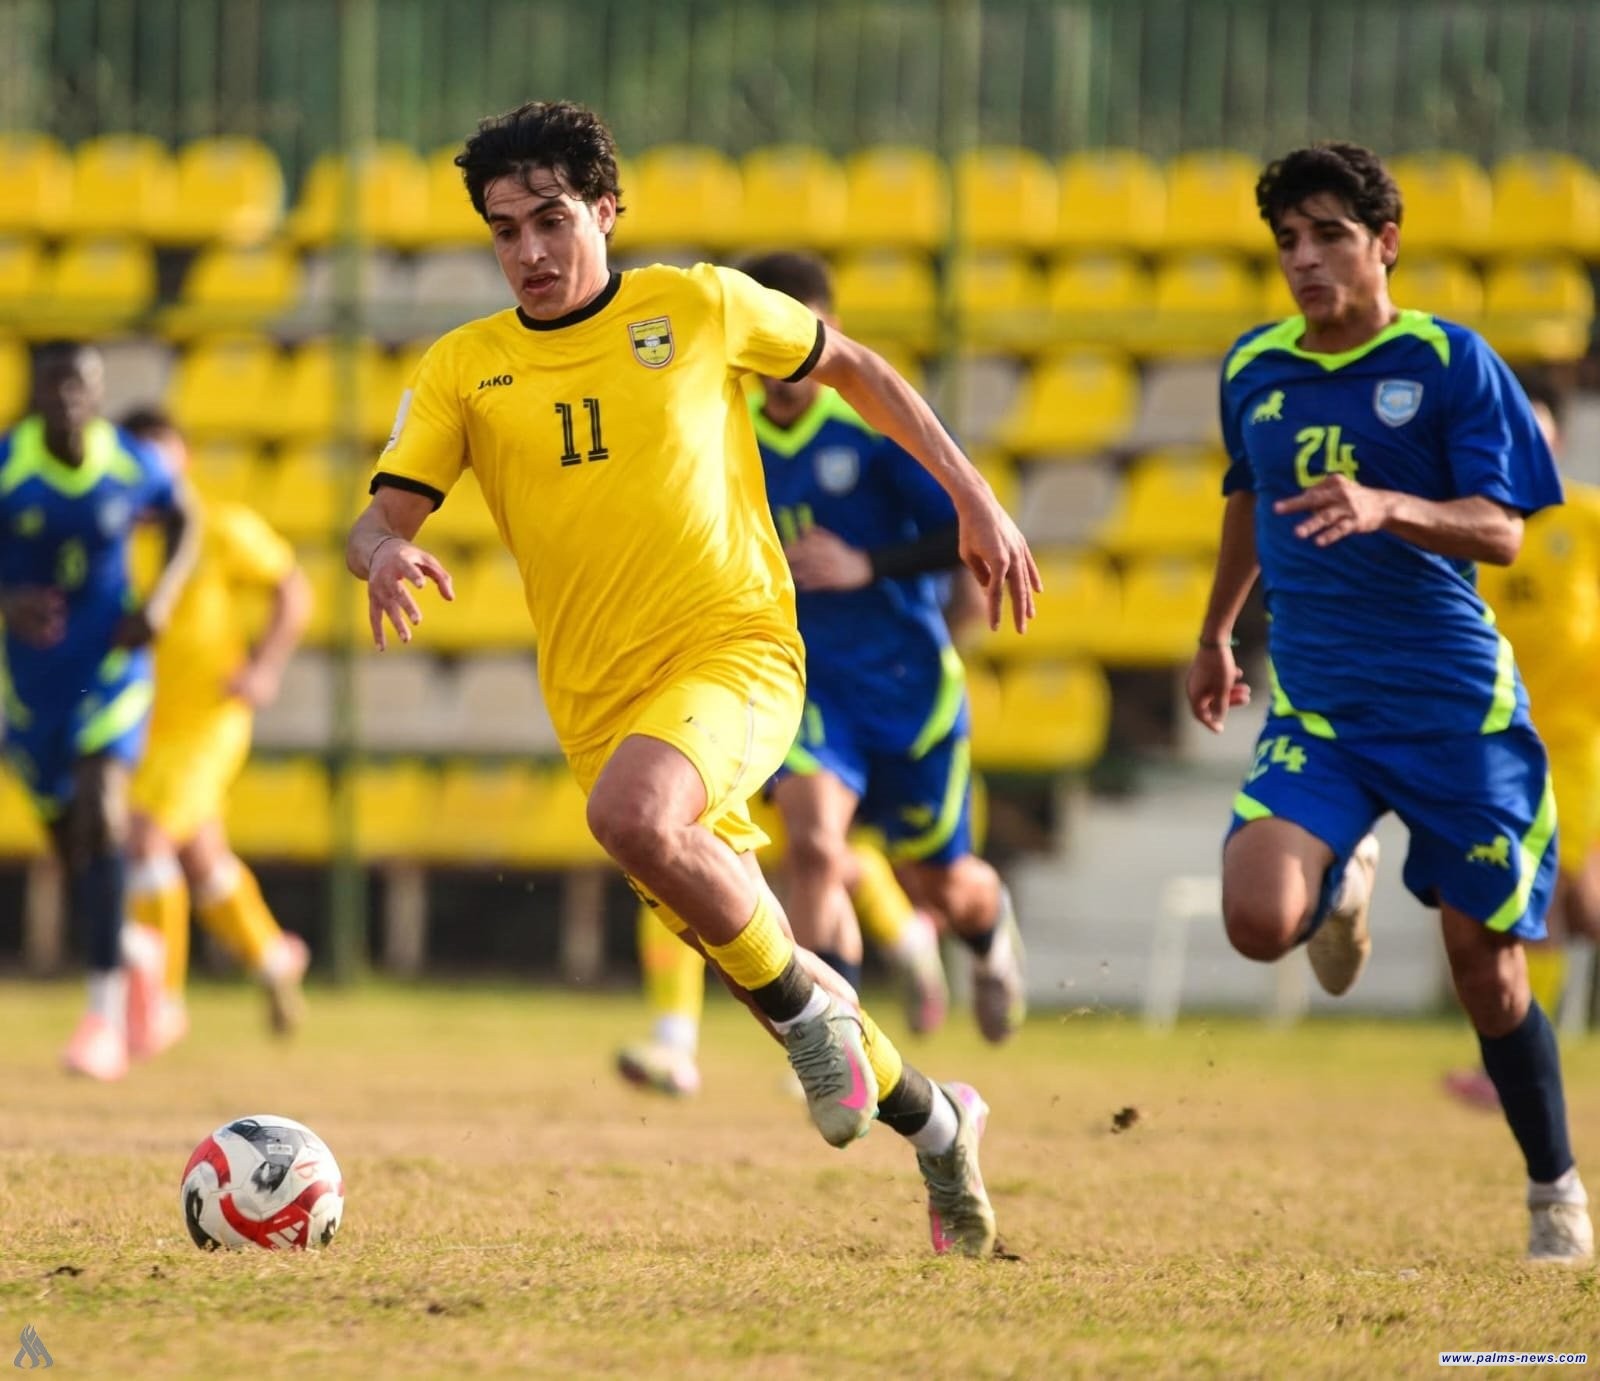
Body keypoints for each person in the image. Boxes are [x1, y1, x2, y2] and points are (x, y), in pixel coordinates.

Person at [344, 100, 1039, 1257]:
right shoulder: (465, 368)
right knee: (765, 955)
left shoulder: (700, 304)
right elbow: (372, 521)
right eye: (504, 229)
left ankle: (822, 1029)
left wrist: (972, 495)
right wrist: (384, 554)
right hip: (600, 704)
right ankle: (935, 1121)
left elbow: (854, 365)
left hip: (739, 651)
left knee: (632, 819)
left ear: (606, 211)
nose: (529, 251)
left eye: (552, 219)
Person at [1186, 142, 1591, 1263]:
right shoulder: (1252, 368)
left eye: (1327, 237)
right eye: (1286, 243)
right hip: (1319, 710)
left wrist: (1385, 505)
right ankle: (1339, 882)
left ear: (1384, 244)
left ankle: (1554, 1185)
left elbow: (1502, 530)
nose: (1303, 262)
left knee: (1487, 973)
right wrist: (1218, 630)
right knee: (1258, 920)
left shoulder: (1450, 361)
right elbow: (1245, 499)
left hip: (1456, 714)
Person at [0, 343, 198, 1080]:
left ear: (98, 392)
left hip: (112, 675)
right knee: (75, 851)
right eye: (53, 387)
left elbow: (185, 516)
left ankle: (103, 1020)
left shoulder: (126, 461)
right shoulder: (9, 466)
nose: (68, 401)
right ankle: (132, 947)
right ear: (33, 392)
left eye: (81, 387)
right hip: (33, 690)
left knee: (104, 807)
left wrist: (162, 597)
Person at [117, 407, 314, 1055]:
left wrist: (264, 669)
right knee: (201, 858)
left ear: (184, 459)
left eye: (160, 455)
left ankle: (161, 1001)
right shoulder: (111, 537)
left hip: (209, 720)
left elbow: (292, 587)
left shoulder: (217, 526)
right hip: (142, 721)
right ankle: (271, 957)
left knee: (147, 837)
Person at [1445, 387, 1600, 1109]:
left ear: (1558, 446)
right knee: (1528, 902)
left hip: (1579, 746)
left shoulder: (1589, 521)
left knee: (1574, 902)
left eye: (1534, 436)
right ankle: (1517, 1064)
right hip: (1502, 743)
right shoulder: (1475, 529)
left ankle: (1518, 1063)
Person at [619, 838, 948, 1098]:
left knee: (831, 864)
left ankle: (909, 943)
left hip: (799, 773)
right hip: (736, 784)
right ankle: (674, 1043)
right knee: (671, 878)